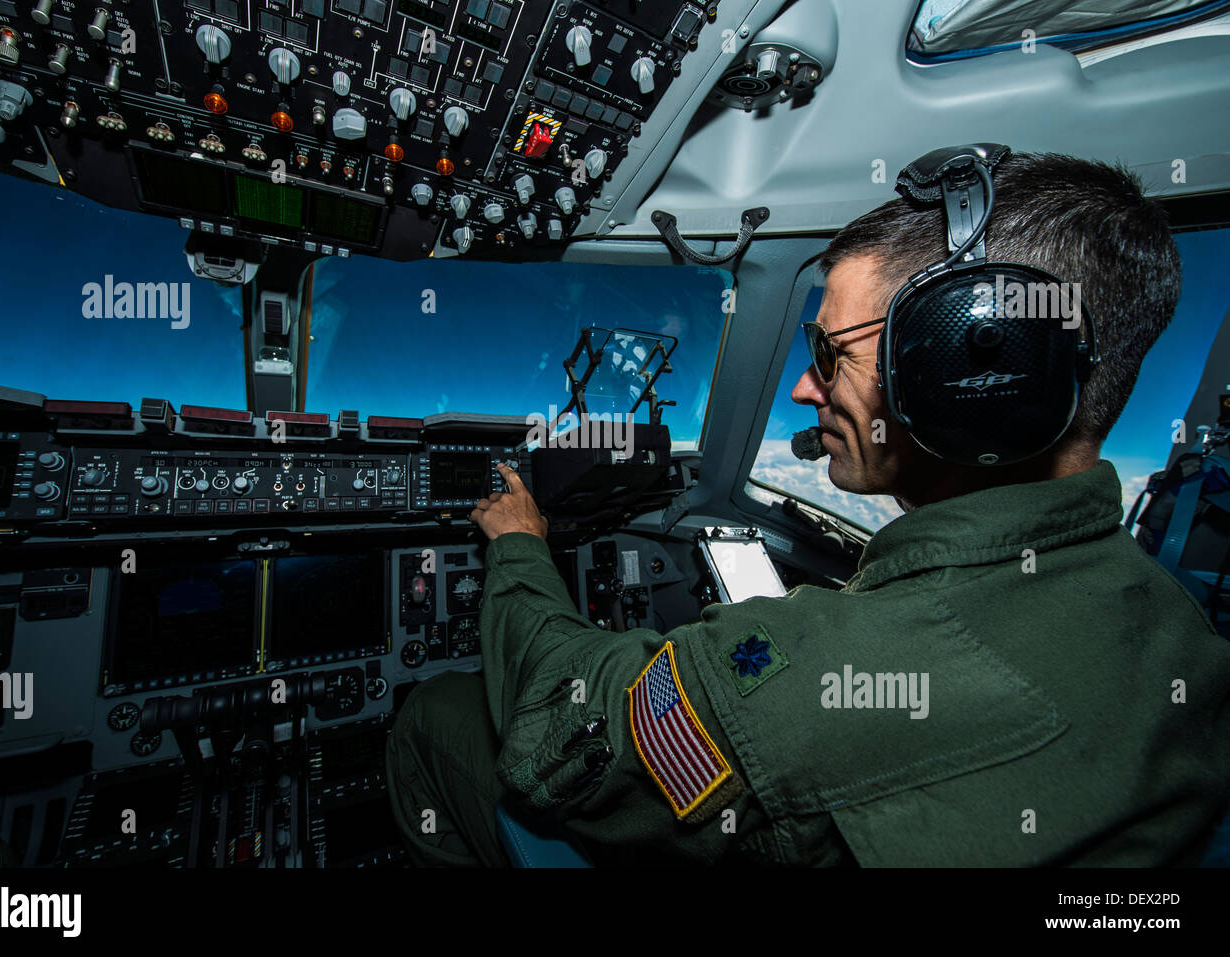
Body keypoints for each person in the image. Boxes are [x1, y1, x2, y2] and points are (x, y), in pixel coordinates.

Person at [385, 151, 1230, 866]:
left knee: (438, 713)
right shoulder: (1179, 625)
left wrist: (521, 544)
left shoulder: (822, 676)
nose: (801, 386)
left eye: (829, 353)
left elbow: (564, 724)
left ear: (973, 369)